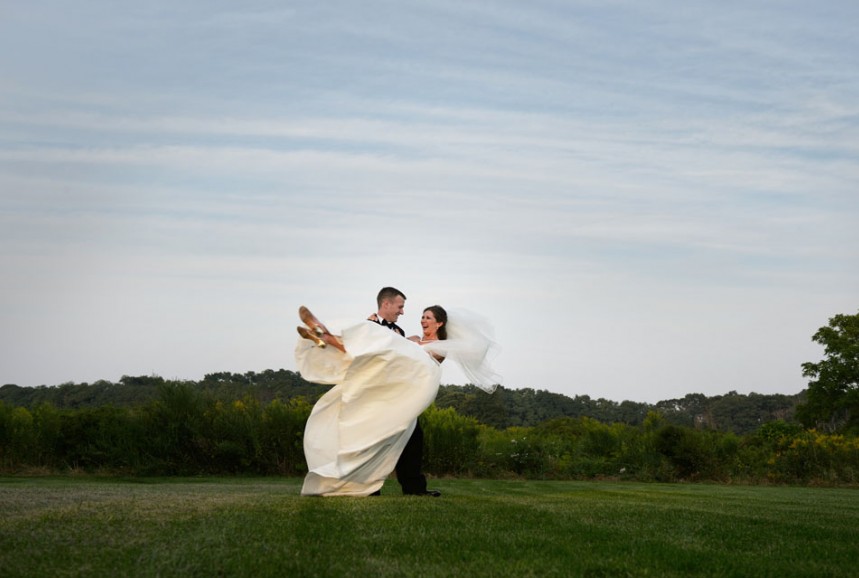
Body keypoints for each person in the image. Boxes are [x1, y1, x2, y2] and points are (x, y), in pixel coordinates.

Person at [294, 290, 499, 497]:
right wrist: (376, 328)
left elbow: (419, 361)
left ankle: (410, 487)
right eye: (422, 317)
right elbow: (385, 349)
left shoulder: (439, 347)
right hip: (391, 392)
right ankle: (327, 337)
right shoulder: (410, 338)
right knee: (386, 434)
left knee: (404, 440)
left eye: (428, 318)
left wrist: (391, 337)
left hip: (406, 395)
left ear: (439, 324)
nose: (422, 320)